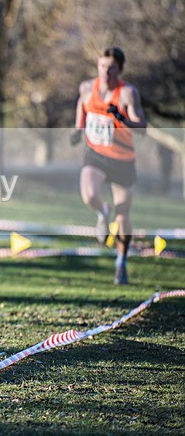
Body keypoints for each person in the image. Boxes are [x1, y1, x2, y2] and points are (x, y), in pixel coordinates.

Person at [71, 47, 147, 284]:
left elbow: (142, 126)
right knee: (89, 195)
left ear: (120, 69)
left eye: (111, 68)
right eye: (102, 66)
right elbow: (82, 108)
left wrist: (122, 118)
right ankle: (102, 213)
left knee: (123, 214)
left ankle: (120, 263)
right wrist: (77, 130)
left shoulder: (127, 93)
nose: (106, 72)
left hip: (122, 160)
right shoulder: (86, 88)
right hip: (96, 155)